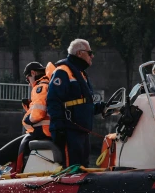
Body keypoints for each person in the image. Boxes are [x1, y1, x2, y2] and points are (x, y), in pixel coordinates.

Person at [46, 39, 105, 167]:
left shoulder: (80, 73)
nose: (92, 56)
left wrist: (102, 107)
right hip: (69, 131)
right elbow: (53, 101)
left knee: (82, 166)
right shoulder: (63, 71)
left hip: (81, 131)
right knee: (72, 168)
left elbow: (83, 104)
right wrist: (59, 127)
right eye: (90, 53)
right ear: (79, 53)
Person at [17, 61, 51, 170]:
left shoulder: (40, 88)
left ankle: (18, 171)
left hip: (44, 131)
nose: (28, 83)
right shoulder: (49, 84)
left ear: (33, 73)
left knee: (21, 146)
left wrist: (28, 119)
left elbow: (37, 115)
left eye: (28, 79)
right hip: (50, 130)